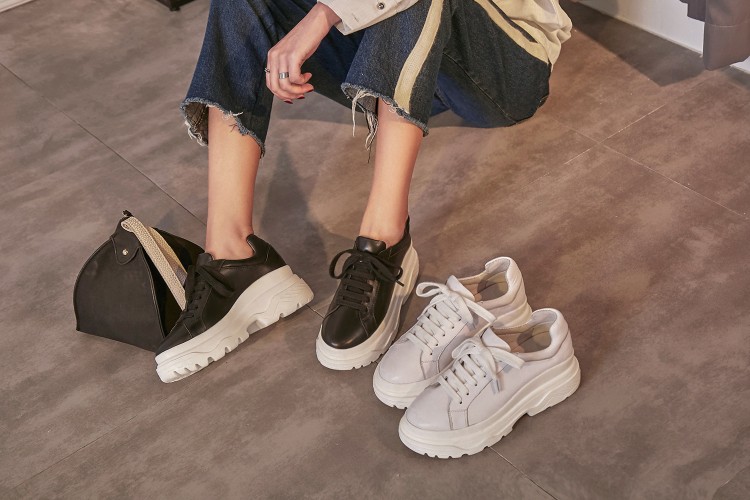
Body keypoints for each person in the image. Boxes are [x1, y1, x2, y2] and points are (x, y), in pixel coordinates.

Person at [153, 0, 572, 383]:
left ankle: (386, 241)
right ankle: (232, 256)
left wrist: (320, 17)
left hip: (505, 61)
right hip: (404, 51)